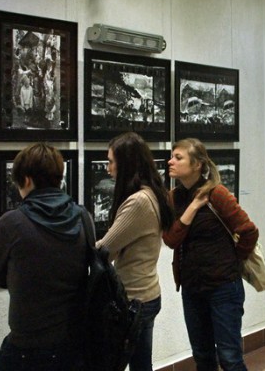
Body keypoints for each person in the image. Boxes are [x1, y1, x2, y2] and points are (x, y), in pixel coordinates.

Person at [0, 143, 87, 371]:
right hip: (73, 343)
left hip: (27, 345)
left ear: (27, 180)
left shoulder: (11, 223)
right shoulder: (83, 217)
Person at [162, 138, 259, 371]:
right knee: (202, 356)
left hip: (223, 287)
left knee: (230, 358)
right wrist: (194, 206)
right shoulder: (174, 198)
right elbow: (171, 239)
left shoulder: (217, 194)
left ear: (197, 164)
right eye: (172, 156)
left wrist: (234, 260)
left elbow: (248, 231)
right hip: (192, 288)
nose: (170, 162)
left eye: (178, 157)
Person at [95, 132, 174, 371]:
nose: (108, 168)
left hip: (134, 297)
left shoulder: (139, 201)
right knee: (141, 364)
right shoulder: (151, 193)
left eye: (111, 161)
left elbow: (105, 250)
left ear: (125, 163)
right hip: (145, 293)